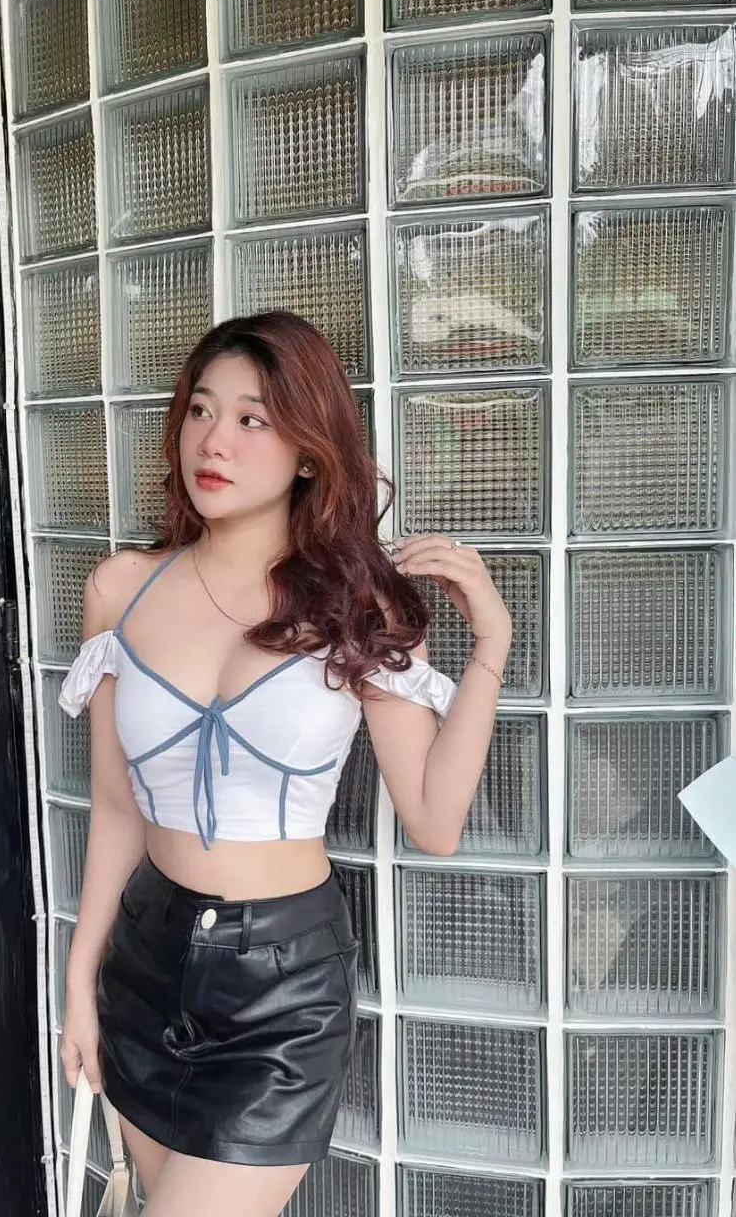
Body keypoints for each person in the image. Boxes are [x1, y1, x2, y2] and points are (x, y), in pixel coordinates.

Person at [57, 313, 512, 1217]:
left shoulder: (357, 606)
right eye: (199, 410)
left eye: (251, 419)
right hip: (145, 963)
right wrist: (79, 982)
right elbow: (115, 808)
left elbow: (434, 821)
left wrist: (491, 645)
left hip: (282, 991)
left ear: (308, 450)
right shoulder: (121, 588)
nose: (212, 441)